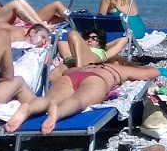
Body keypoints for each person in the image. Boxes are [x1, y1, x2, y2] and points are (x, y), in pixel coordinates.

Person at [24, 55, 158, 135]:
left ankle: (28, 109)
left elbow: (66, 72)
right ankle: (58, 113)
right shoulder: (121, 68)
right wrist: (135, 68)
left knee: (48, 99)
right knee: (78, 100)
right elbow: (153, 72)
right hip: (96, 79)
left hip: (72, 76)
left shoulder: (89, 65)